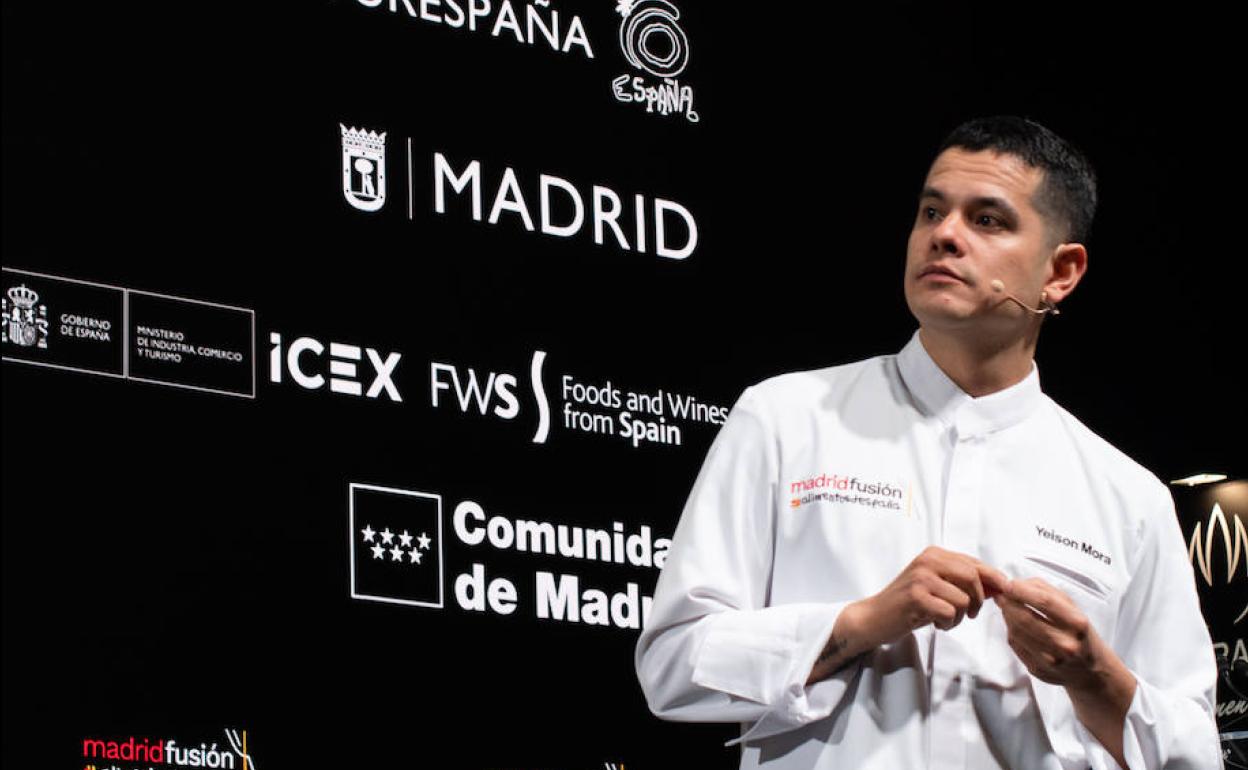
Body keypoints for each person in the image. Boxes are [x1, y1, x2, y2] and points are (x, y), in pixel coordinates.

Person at [634, 116, 1222, 769]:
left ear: (1061, 273)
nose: (944, 235)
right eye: (931, 211)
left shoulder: (1128, 496)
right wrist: (859, 623)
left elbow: (1196, 753)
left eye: (988, 220)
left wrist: (1093, 676)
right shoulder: (785, 417)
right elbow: (672, 665)